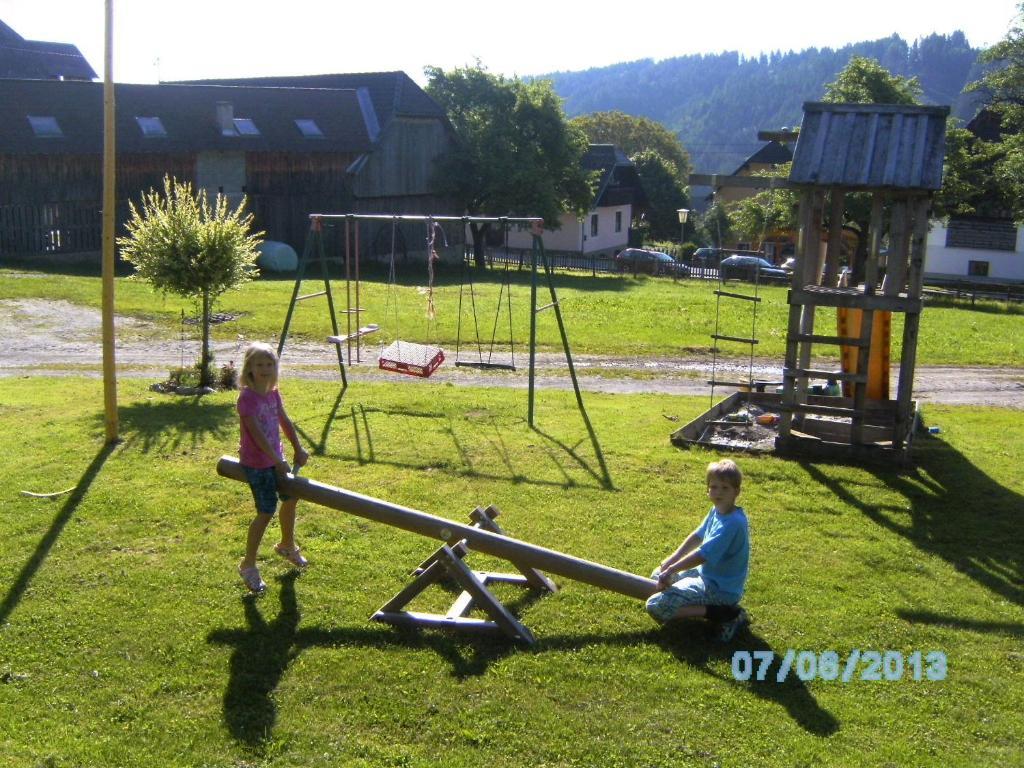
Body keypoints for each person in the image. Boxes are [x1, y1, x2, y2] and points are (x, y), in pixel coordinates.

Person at [647, 459, 750, 641]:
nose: (718, 492)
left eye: (725, 488)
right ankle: (695, 606)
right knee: (657, 575)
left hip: (720, 590)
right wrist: (672, 560)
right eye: (714, 487)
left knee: (656, 605)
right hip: (705, 576)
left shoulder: (733, 523)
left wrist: (672, 569)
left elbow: (703, 554)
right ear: (708, 490)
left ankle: (723, 614)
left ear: (736, 492)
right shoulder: (716, 510)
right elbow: (697, 535)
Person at [236, 342, 310, 593]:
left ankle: (287, 544)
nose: (265, 369)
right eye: (259, 365)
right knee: (266, 510)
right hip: (257, 463)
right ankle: (248, 565)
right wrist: (276, 461)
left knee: (291, 497)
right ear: (249, 369)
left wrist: (297, 448)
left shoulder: (272, 392)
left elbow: (285, 421)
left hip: (275, 459)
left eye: (269, 364)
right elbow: (256, 435)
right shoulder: (247, 398)